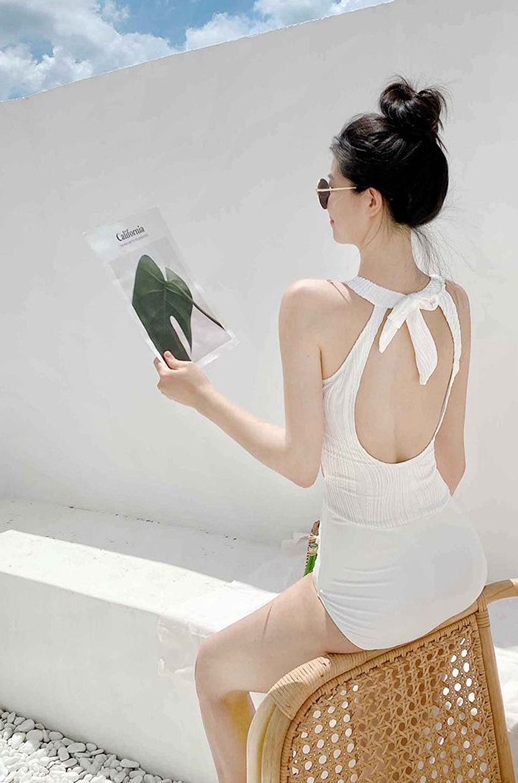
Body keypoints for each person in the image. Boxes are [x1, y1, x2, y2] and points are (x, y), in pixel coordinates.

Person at [153, 74, 488, 783]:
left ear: (370, 200)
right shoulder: (454, 303)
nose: (323, 202)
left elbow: (299, 463)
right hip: (454, 568)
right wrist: (391, 524)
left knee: (212, 668)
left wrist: (201, 395)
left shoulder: (312, 304)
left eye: (327, 188)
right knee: (387, 757)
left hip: (368, 592)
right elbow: (451, 464)